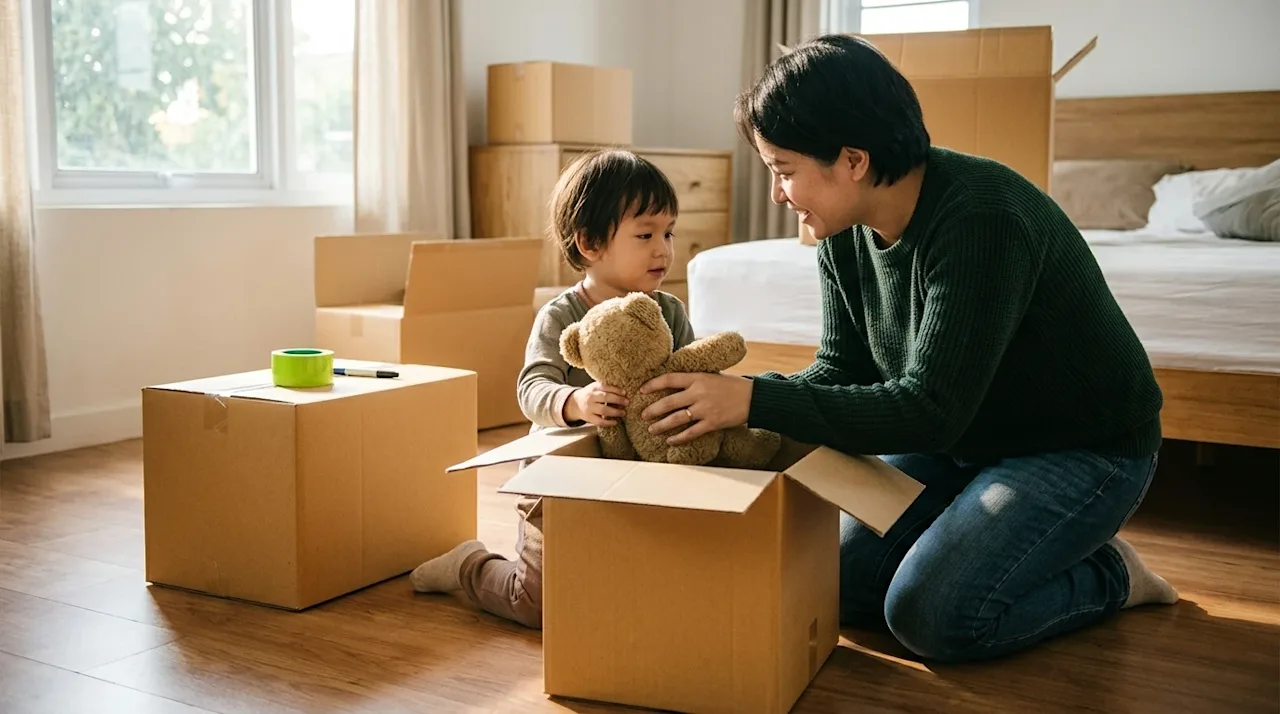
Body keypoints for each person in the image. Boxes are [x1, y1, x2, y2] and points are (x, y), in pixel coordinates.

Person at [637, 34, 1179, 663]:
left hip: (1080, 449)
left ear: (853, 160)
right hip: (960, 442)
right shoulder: (844, 229)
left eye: (784, 171)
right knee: (834, 584)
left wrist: (753, 401)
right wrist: (731, 402)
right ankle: (996, 540)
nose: (779, 195)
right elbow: (841, 370)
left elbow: (929, 408)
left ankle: (1110, 575)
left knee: (931, 617)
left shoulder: (983, 217)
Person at [408, 149, 695, 628]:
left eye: (668, 233)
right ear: (589, 243)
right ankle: (468, 566)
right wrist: (574, 401)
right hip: (555, 484)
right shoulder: (562, 315)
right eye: (645, 235)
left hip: (634, 478)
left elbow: (689, 375)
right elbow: (531, 387)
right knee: (538, 604)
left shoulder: (669, 313)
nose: (664, 249)